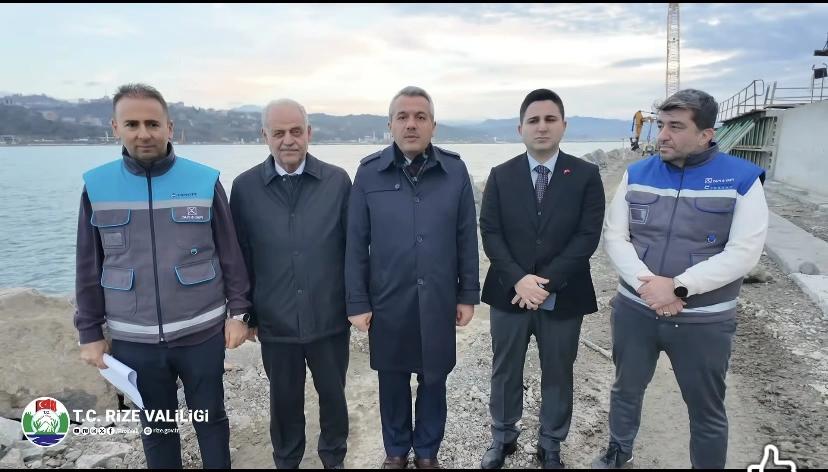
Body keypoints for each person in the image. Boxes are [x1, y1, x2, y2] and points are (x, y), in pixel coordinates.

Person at [73, 83, 252, 469]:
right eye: (132, 124)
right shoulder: (97, 186)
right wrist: (89, 332)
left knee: (211, 419)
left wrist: (239, 313)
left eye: (153, 124)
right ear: (115, 128)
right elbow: (88, 265)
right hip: (133, 339)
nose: (144, 133)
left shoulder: (204, 180)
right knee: (157, 428)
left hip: (201, 333)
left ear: (170, 128)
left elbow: (230, 252)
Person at [593, 88, 769, 469]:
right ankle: (618, 454)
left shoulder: (742, 180)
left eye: (675, 127)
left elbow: (744, 252)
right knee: (625, 390)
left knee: (705, 407)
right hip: (636, 312)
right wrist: (649, 285)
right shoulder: (637, 174)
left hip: (704, 321)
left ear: (706, 134)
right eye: (660, 125)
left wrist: (677, 286)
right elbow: (614, 236)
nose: (662, 136)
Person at [344, 86, 480, 469]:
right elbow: (355, 243)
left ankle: (427, 452)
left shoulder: (454, 171)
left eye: (420, 117)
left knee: (434, 378)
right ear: (390, 125)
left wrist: (467, 294)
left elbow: (466, 237)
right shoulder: (369, 173)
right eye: (402, 117)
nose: (411, 124)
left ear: (433, 125)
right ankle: (396, 451)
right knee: (392, 379)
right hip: (388, 299)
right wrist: (357, 301)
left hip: (438, 297)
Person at [478, 88, 606, 469]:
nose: (542, 127)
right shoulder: (501, 176)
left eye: (550, 119)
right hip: (509, 293)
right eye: (533, 120)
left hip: (564, 295)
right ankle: (503, 437)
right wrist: (519, 280)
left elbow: (587, 237)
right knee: (505, 370)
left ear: (563, 125)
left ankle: (550, 444)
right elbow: (490, 232)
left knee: (559, 371)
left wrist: (543, 284)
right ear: (521, 129)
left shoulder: (585, 176)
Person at [228, 98, 352, 470]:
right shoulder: (245, 188)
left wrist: (358, 304)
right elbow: (240, 256)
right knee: (283, 401)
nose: (288, 140)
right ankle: (286, 460)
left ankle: (334, 459)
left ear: (308, 133)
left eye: (296, 131)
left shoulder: (337, 182)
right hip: (275, 320)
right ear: (264, 135)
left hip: (329, 317)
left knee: (334, 396)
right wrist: (246, 314)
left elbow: (354, 249)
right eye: (279, 133)